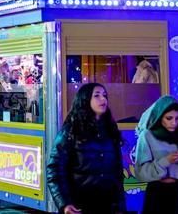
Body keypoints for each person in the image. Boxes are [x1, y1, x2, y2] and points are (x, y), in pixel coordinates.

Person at [46, 83, 126, 214]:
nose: (103, 99)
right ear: (85, 99)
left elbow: (117, 173)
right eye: (97, 96)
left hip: (108, 205)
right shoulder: (71, 131)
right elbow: (54, 170)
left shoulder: (110, 131)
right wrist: (64, 203)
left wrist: (120, 205)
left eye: (105, 96)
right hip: (79, 205)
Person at [131, 96, 178, 214]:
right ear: (159, 117)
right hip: (157, 193)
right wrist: (166, 160)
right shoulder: (147, 136)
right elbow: (141, 173)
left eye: (177, 119)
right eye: (169, 118)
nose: (174, 123)